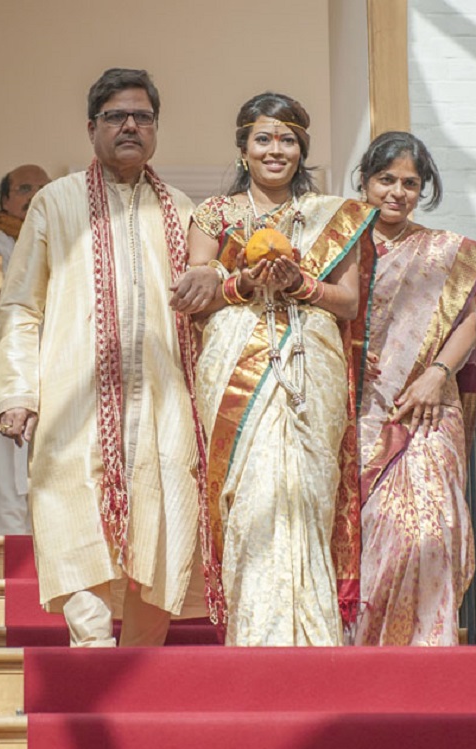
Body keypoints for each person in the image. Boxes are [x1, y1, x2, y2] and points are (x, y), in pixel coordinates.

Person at [0, 68, 209, 647]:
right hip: (72, 395)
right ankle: (91, 651)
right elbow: (21, 305)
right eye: (116, 116)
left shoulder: (183, 210)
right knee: (70, 513)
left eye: (142, 117)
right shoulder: (54, 204)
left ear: (156, 129)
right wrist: (17, 391)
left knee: (161, 528)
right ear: (92, 129)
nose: (130, 126)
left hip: (164, 401)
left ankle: (138, 664)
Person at [177, 92, 376, 646]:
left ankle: (314, 638)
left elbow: (349, 302)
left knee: (307, 493)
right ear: (243, 148)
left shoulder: (334, 216)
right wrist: (242, 281)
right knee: (251, 496)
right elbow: (200, 292)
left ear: (302, 150)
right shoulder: (213, 215)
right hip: (236, 362)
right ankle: (256, 636)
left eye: (287, 140)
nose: (275, 150)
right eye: (263, 138)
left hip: (311, 366)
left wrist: (300, 284)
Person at [352, 131, 476, 646]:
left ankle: (429, 648)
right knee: (374, 531)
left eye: (410, 183)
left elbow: (471, 322)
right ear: (365, 182)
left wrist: (437, 373)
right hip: (357, 408)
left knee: (432, 524)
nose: (397, 192)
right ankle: (368, 651)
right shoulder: (339, 246)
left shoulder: (444, 253)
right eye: (385, 179)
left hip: (428, 407)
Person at [0, 163, 50, 536]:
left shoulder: (55, 245)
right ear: (5, 199)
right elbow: (5, 310)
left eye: (42, 188)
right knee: (9, 495)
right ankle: (15, 588)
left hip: (49, 385)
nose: (33, 196)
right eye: (24, 188)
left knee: (44, 494)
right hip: (4, 385)